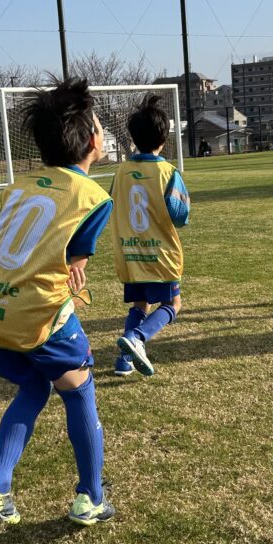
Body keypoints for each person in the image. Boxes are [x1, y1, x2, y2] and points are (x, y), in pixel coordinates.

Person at [0, 79, 116, 527]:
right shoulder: (93, 197)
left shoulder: (20, 185)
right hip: (37, 314)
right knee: (79, 387)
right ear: (91, 141)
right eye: (100, 126)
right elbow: (74, 262)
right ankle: (91, 497)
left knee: (35, 387)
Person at [110, 95, 190, 377]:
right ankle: (137, 337)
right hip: (160, 254)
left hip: (130, 252)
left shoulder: (121, 171)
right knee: (172, 304)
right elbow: (180, 215)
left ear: (133, 138)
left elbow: (112, 203)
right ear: (164, 138)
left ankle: (124, 361)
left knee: (140, 304)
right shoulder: (167, 172)